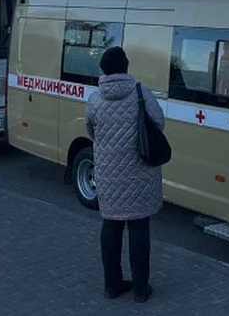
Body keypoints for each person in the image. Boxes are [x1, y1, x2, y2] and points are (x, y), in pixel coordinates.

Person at [85, 47, 165, 304]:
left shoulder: (95, 99)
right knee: (139, 227)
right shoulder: (141, 93)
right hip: (140, 172)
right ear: (126, 66)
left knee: (111, 225)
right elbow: (159, 123)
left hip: (109, 174)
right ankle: (141, 289)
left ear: (103, 69)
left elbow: (90, 129)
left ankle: (112, 285)